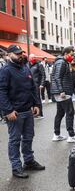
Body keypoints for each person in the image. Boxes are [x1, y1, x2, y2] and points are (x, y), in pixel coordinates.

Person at [0, 45, 45, 178]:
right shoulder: (5, 70)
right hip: (14, 113)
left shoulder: (25, 68)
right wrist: (8, 111)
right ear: (9, 55)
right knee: (15, 140)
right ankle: (16, 167)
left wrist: (37, 104)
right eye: (17, 53)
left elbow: (32, 87)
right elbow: (1, 92)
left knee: (28, 137)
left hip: (27, 110)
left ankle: (29, 161)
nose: (20, 55)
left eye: (21, 53)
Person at [50, 46, 75, 143]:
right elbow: (57, 77)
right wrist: (61, 91)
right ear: (65, 53)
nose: (72, 56)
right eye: (71, 54)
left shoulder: (63, 62)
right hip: (63, 92)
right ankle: (71, 136)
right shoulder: (61, 63)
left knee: (60, 113)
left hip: (63, 91)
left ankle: (57, 134)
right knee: (70, 112)